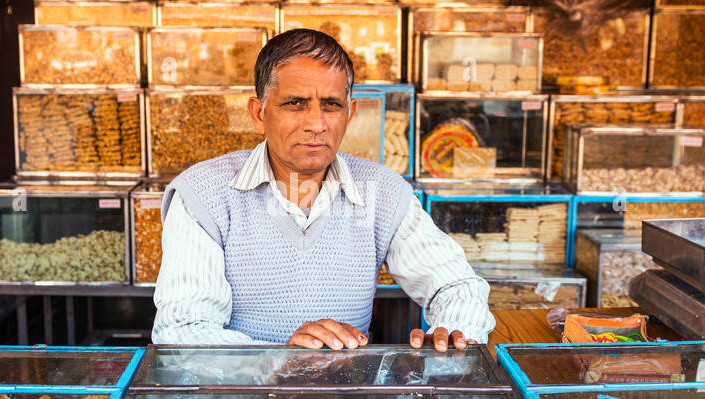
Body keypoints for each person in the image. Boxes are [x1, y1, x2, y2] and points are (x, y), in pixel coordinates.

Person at [152, 28, 494, 351]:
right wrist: (278, 361)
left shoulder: (382, 191)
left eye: (331, 105)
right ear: (259, 113)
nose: (316, 124)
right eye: (295, 103)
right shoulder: (202, 194)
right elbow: (181, 330)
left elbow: (456, 286)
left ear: (350, 113)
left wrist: (452, 332)